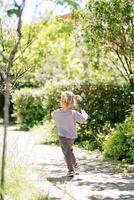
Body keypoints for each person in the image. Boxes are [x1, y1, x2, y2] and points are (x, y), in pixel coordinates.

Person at [51, 90, 88, 177]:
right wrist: (85, 114)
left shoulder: (56, 113)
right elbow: (83, 119)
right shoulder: (73, 113)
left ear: (61, 101)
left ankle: (71, 170)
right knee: (69, 150)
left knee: (66, 153)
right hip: (72, 137)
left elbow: (52, 115)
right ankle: (75, 165)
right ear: (72, 103)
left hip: (62, 137)